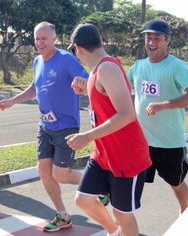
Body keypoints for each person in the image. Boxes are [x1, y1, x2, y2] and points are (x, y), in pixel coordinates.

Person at [0, 21, 88, 232]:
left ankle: (98, 182)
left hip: (66, 126)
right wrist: (13, 101)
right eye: (37, 38)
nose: (40, 42)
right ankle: (62, 215)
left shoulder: (66, 59)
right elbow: (34, 88)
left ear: (54, 39)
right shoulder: (37, 61)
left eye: (44, 38)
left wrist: (82, 81)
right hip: (45, 127)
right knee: (44, 172)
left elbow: (86, 77)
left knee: (61, 175)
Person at [66, 23, 152, 236]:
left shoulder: (106, 68)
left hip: (125, 156)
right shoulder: (98, 71)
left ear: (78, 49)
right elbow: (106, 97)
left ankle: (121, 230)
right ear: (100, 42)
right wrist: (87, 88)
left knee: (122, 213)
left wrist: (86, 136)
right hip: (104, 153)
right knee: (83, 200)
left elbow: (126, 114)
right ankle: (114, 232)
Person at [126, 20, 188, 214]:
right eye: (148, 38)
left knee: (175, 183)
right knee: (129, 182)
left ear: (167, 40)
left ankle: (184, 209)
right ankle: (124, 220)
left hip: (169, 143)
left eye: (157, 39)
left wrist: (165, 105)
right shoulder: (138, 66)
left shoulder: (177, 66)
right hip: (141, 142)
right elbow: (119, 86)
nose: (151, 42)